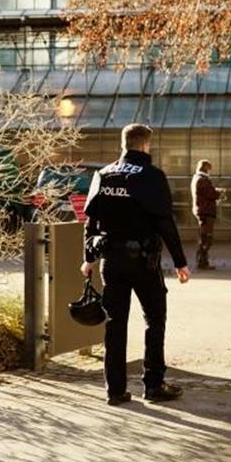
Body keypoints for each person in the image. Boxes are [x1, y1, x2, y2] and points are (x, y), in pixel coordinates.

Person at [81, 123, 191, 406]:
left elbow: (91, 221)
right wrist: (180, 262)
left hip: (110, 260)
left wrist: (88, 259)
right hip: (143, 261)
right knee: (154, 319)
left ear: (124, 144)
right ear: (145, 145)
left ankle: (115, 390)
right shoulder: (152, 176)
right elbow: (165, 222)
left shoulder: (103, 174)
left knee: (114, 324)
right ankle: (153, 385)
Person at [190, 159, 223, 270]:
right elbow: (210, 194)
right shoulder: (203, 179)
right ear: (207, 168)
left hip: (201, 210)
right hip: (206, 211)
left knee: (203, 236)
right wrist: (219, 192)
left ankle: (202, 261)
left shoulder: (196, 178)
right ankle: (202, 262)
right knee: (206, 237)